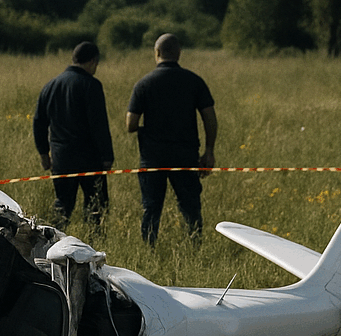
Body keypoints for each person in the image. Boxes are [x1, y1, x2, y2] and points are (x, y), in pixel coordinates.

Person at [126, 33, 217, 245]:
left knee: (151, 208)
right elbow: (210, 118)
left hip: (152, 158)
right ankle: (194, 246)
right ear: (179, 53)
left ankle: (149, 248)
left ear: (156, 53)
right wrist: (209, 150)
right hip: (185, 156)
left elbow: (130, 125)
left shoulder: (143, 84)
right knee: (190, 207)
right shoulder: (194, 81)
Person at [33, 41, 114, 231]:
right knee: (96, 206)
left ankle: (52, 242)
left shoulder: (50, 86)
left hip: (61, 158)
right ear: (93, 61)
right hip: (90, 157)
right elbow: (99, 124)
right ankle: (93, 244)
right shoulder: (91, 85)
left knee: (62, 205)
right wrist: (107, 156)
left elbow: (39, 122)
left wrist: (44, 154)